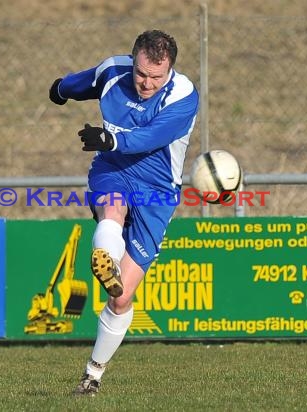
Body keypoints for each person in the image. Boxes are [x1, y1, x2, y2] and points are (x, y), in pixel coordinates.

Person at [48, 29, 199, 396]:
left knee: (120, 297)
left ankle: (93, 374)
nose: (147, 83)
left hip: (158, 190)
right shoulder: (114, 71)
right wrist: (60, 90)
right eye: (141, 74)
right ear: (133, 62)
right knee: (111, 209)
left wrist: (113, 138)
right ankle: (105, 254)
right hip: (113, 169)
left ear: (170, 71)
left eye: (156, 77)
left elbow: (152, 137)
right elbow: (82, 83)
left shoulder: (183, 95)